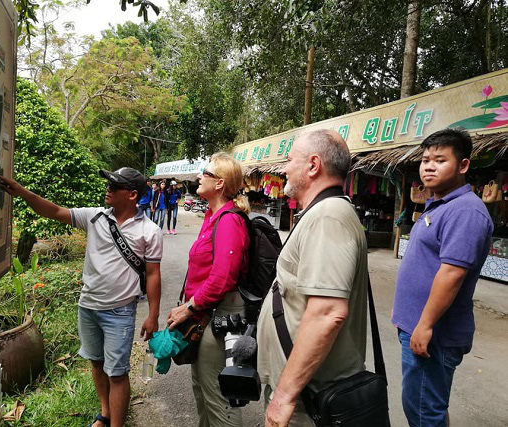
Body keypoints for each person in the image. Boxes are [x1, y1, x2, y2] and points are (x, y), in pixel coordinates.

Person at [0, 167, 163, 427]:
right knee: (96, 363)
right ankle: (105, 413)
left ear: (132, 195)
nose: (107, 188)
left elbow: (153, 275)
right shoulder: (94, 217)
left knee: (117, 373)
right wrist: (21, 192)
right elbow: (53, 211)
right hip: (88, 306)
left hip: (120, 311)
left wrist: (153, 315)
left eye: (114, 186)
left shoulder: (150, 231)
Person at [256, 129, 368, 426]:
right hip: (304, 394)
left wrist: (283, 397)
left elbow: (328, 313)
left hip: (308, 400)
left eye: (290, 160)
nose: (283, 169)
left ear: (313, 165)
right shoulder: (322, 213)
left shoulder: (328, 216)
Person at [392, 128, 493, 427]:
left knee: (423, 412)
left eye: (440, 160)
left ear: (463, 166)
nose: (429, 166)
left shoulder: (466, 211)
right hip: (421, 330)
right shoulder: (439, 203)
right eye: (425, 160)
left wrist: (424, 326)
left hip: (434, 335)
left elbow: (451, 274)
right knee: (428, 405)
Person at [166, 152, 251, 427]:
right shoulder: (212, 217)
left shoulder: (229, 220)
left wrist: (188, 308)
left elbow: (223, 278)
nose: (199, 175)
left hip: (221, 315)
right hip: (206, 313)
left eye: (206, 172)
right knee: (201, 389)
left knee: (219, 397)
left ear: (219, 184)